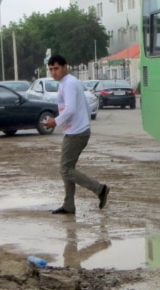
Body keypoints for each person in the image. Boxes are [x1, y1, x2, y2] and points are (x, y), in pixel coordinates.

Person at [43, 54, 109, 215]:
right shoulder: (66, 83)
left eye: (56, 68)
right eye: (51, 69)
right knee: (67, 168)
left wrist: (55, 121)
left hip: (76, 133)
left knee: (65, 170)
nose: (53, 72)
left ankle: (100, 189)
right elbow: (83, 106)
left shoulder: (70, 83)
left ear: (65, 67)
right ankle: (69, 205)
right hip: (74, 130)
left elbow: (71, 109)